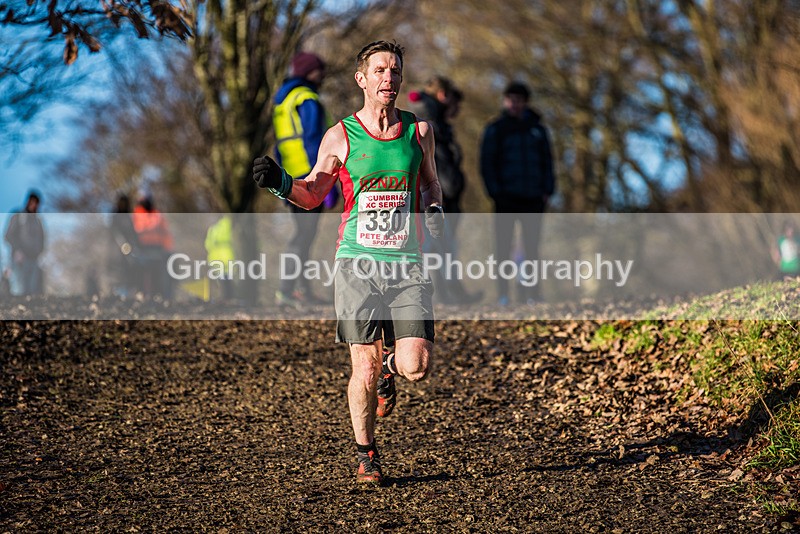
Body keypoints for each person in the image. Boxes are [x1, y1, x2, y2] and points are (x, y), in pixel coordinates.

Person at [253, 40, 444, 485]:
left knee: (416, 366)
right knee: (364, 364)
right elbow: (314, 192)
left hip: (407, 264)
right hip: (356, 262)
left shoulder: (419, 133)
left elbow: (431, 185)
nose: (388, 79)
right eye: (379, 71)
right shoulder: (341, 135)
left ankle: (390, 371)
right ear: (362, 79)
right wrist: (282, 182)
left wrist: (434, 211)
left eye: (395, 71)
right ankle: (367, 456)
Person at [272, 51, 338, 308]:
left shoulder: (284, 100)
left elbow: (281, 144)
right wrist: (324, 179)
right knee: (304, 235)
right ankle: (288, 291)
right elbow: (315, 139)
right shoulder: (307, 98)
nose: (322, 75)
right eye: (319, 70)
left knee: (303, 234)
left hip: (290, 176)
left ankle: (298, 290)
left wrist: (281, 179)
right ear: (310, 72)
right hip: (310, 175)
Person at [480, 81, 555, 305]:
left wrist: (547, 190)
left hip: (533, 198)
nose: (514, 104)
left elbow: (548, 162)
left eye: (518, 100)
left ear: (525, 102)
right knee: (503, 246)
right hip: (506, 198)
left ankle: (530, 292)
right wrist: (495, 192)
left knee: (532, 247)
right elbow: (486, 163)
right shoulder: (496, 129)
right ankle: (504, 294)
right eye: (510, 99)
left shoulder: (538, 130)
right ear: (505, 101)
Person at [408, 78, 481, 304]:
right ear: (443, 96)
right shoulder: (430, 122)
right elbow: (436, 160)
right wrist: (448, 187)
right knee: (437, 245)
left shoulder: (434, 120)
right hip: (437, 197)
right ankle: (444, 294)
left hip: (440, 195)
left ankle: (447, 294)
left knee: (440, 246)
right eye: (455, 104)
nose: (457, 110)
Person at [132, 189, 174, 299]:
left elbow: (165, 232)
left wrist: (167, 248)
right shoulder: (136, 214)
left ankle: (157, 295)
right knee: (143, 273)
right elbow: (132, 232)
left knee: (157, 273)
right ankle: (143, 294)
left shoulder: (157, 215)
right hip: (142, 248)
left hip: (157, 248)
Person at [4, 190, 45, 296]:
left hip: (34, 259)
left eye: (37, 203)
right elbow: (8, 235)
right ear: (28, 202)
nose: (35, 206)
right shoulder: (18, 216)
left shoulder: (38, 220)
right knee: (19, 289)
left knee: (32, 290)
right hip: (20, 259)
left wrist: (39, 252)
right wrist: (18, 250)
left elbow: (42, 238)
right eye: (33, 202)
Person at [109, 193, 141, 297]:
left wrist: (135, 245)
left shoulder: (129, 217)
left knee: (130, 269)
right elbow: (115, 232)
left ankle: (130, 291)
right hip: (117, 249)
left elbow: (133, 233)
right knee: (118, 270)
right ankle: (118, 292)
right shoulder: (115, 217)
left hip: (130, 250)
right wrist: (123, 244)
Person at [204, 214, 236, 301]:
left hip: (216, 259)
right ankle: (230, 299)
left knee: (222, 283)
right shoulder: (232, 225)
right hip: (229, 257)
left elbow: (207, 245)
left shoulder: (213, 229)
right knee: (230, 282)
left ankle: (225, 299)